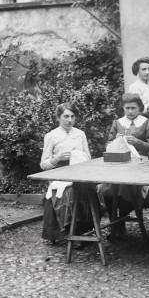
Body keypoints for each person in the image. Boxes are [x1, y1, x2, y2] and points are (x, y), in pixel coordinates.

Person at [40, 102, 100, 249]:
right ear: (58, 118)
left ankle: (85, 230)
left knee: (88, 188)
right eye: (66, 116)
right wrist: (57, 158)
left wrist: (80, 158)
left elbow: (88, 157)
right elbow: (43, 164)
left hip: (79, 172)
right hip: (60, 174)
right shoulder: (52, 136)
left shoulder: (80, 134)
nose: (69, 120)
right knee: (70, 192)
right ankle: (69, 233)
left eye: (72, 116)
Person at [97, 93, 149, 239]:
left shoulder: (146, 123)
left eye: (133, 108)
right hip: (119, 161)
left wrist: (136, 142)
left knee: (129, 187)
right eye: (127, 108)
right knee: (107, 187)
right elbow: (108, 144)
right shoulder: (118, 123)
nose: (130, 111)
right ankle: (115, 224)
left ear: (140, 108)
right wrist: (116, 142)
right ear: (122, 108)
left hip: (139, 162)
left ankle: (123, 217)